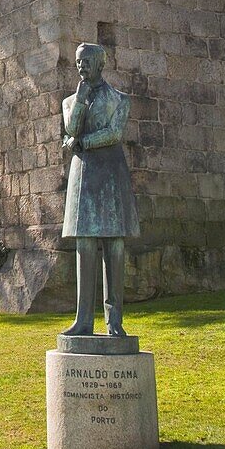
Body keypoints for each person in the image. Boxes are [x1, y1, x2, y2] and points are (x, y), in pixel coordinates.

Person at [60, 42, 139, 336]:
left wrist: (84, 143)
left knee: (115, 245)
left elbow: (115, 133)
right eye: (78, 62)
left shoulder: (118, 99)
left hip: (111, 173)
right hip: (84, 177)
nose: (81, 66)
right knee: (84, 244)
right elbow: (71, 129)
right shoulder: (70, 101)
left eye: (87, 61)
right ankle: (83, 321)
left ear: (100, 64)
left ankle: (114, 321)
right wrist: (80, 100)